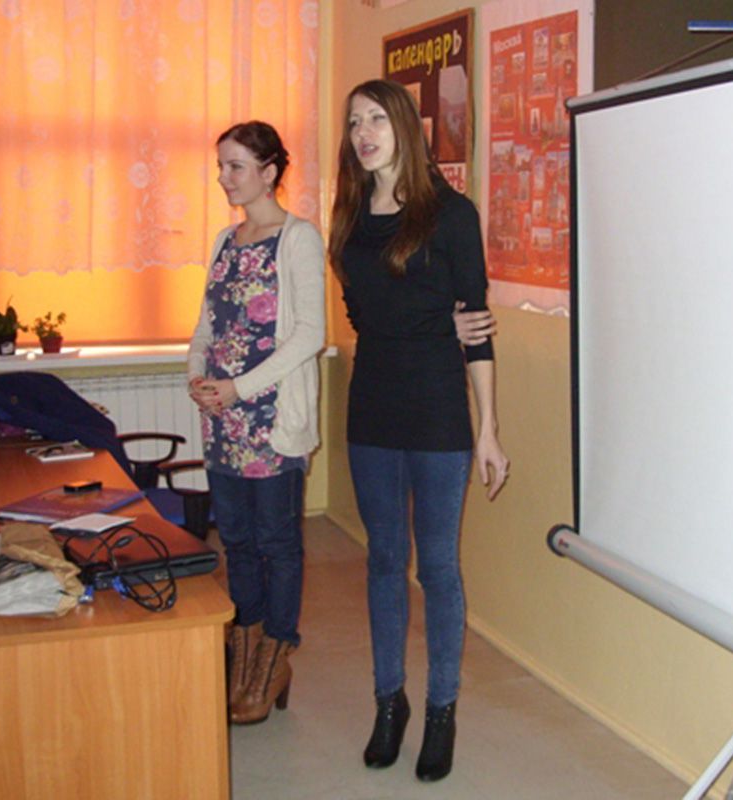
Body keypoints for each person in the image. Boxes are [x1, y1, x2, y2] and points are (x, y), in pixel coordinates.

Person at [328, 79, 509, 783]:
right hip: (372, 407)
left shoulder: (451, 215)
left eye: (376, 119)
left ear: (405, 126)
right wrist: (437, 323)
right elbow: (366, 318)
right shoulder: (349, 218)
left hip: (437, 410)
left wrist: (488, 430)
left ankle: (440, 711)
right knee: (382, 561)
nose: (364, 134)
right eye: (354, 122)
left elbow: (478, 329)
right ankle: (388, 703)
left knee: (436, 567)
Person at [187, 121, 325, 725]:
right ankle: (243, 652)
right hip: (222, 420)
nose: (224, 177)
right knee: (236, 541)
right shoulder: (226, 239)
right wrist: (196, 375)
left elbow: (310, 334)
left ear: (269, 172)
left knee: (276, 543)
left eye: (236, 166)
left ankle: (275, 657)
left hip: (270, 422)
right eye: (221, 166)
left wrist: (238, 388)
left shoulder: (298, 239)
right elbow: (207, 325)